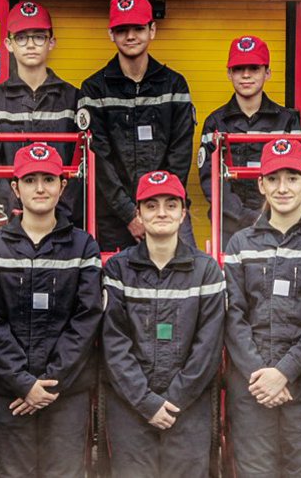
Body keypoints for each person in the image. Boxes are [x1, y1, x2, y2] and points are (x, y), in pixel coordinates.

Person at [222, 139, 301, 477]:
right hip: (252, 388)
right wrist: (261, 375)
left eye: (292, 178)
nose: (282, 188)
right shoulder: (240, 245)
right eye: (273, 179)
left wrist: (284, 372)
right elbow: (232, 315)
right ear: (260, 184)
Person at [0, 144, 104, 477]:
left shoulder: (83, 246)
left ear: (63, 186)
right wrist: (23, 383)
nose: (40, 188)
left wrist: (46, 385)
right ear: (15, 189)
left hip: (65, 393)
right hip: (8, 394)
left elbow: (86, 318)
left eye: (49, 179)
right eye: (30, 180)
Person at [101, 170, 225, 477]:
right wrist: (146, 402)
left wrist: (173, 400)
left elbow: (208, 347)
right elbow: (113, 343)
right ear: (139, 214)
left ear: (184, 213)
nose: (161, 212)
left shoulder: (206, 271)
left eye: (171, 204)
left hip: (188, 407)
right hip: (130, 406)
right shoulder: (118, 269)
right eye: (151, 205)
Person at [79, 0, 198, 252]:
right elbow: (99, 159)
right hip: (114, 217)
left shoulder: (175, 85)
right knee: (111, 287)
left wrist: (159, 209)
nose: (130, 36)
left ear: (152, 30)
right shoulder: (94, 89)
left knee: (188, 280)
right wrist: (130, 215)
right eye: (122, 29)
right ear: (111, 34)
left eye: (138, 28)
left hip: (169, 211)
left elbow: (180, 155)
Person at [197, 35, 301, 243]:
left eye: (254, 68)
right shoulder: (215, 123)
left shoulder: (288, 121)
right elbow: (210, 182)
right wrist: (247, 218)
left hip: (282, 222)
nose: (246, 75)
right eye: (239, 69)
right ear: (229, 74)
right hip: (231, 226)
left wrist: (274, 216)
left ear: (267, 73)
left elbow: (299, 174)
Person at [0, 1, 85, 227]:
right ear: (8, 44)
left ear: (51, 42)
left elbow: (81, 166)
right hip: (11, 221)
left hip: (63, 222)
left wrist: (60, 212)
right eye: (21, 37)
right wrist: (14, 210)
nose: (30, 45)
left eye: (38, 37)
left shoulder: (73, 98)